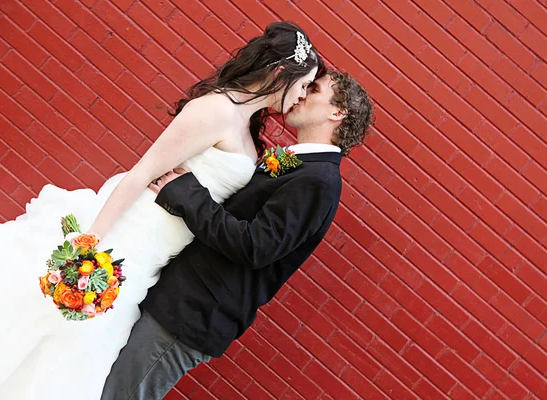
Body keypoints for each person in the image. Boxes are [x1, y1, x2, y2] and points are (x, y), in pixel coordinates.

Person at [0, 22, 322, 400]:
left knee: (81, 354)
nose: (301, 96)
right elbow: (140, 174)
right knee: (60, 340)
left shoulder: (247, 124)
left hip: (152, 259)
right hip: (127, 241)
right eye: (303, 85)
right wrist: (90, 244)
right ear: (281, 74)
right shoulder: (216, 110)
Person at [100, 69, 375, 399]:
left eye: (314, 89)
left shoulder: (319, 182)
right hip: (175, 300)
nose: (301, 94)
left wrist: (186, 191)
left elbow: (254, 246)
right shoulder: (300, 166)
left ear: (337, 112)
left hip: (189, 317)